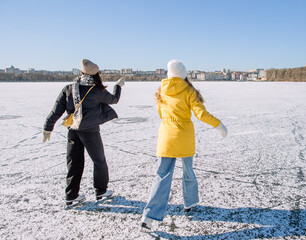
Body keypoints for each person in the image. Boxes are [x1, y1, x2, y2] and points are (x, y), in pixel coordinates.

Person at [141, 59, 228, 230]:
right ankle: (190, 203)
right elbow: (201, 114)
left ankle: (149, 215)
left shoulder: (161, 90)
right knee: (188, 171)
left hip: (166, 137)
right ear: (184, 74)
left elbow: (161, 113)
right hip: (185, 137)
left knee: (162, 175)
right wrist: (219, 125)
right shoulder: (189, 90)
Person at [42, 59, 125, 206]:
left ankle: (71, 195)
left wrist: (47, 127)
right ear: (95, 75)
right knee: (99, 161)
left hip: (73, 130)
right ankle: (101, 191)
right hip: (90, 131)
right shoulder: (97, 90)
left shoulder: (69, 88)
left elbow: (56, 111)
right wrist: (118, 86)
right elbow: (114, 100)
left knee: (74, 163)